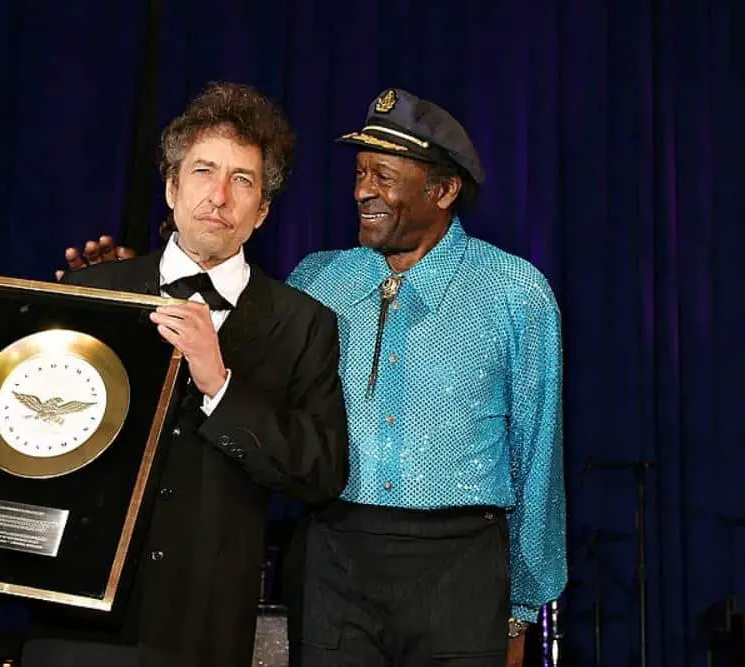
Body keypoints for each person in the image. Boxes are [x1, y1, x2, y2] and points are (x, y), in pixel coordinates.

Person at [68, 88, 566, 667]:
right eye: (358, 173)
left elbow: (538, 457)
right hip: (332, 559)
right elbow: (234, 342)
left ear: (444, 190)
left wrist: (521, 609)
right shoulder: (319, 279)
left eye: (383, 175)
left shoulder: (515, 292)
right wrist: (129, 298)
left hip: (457, 568)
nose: (361, 191)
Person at [0, 81, 350, 667]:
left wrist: (219, 384)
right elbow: (12, 434)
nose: (220, 196)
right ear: (172, 188)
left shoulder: (303, 324)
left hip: (203, 631)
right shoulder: (88, 296)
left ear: (263, 212)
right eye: (203, 171)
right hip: (75, 624)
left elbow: (321, 473)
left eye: (243, 180)